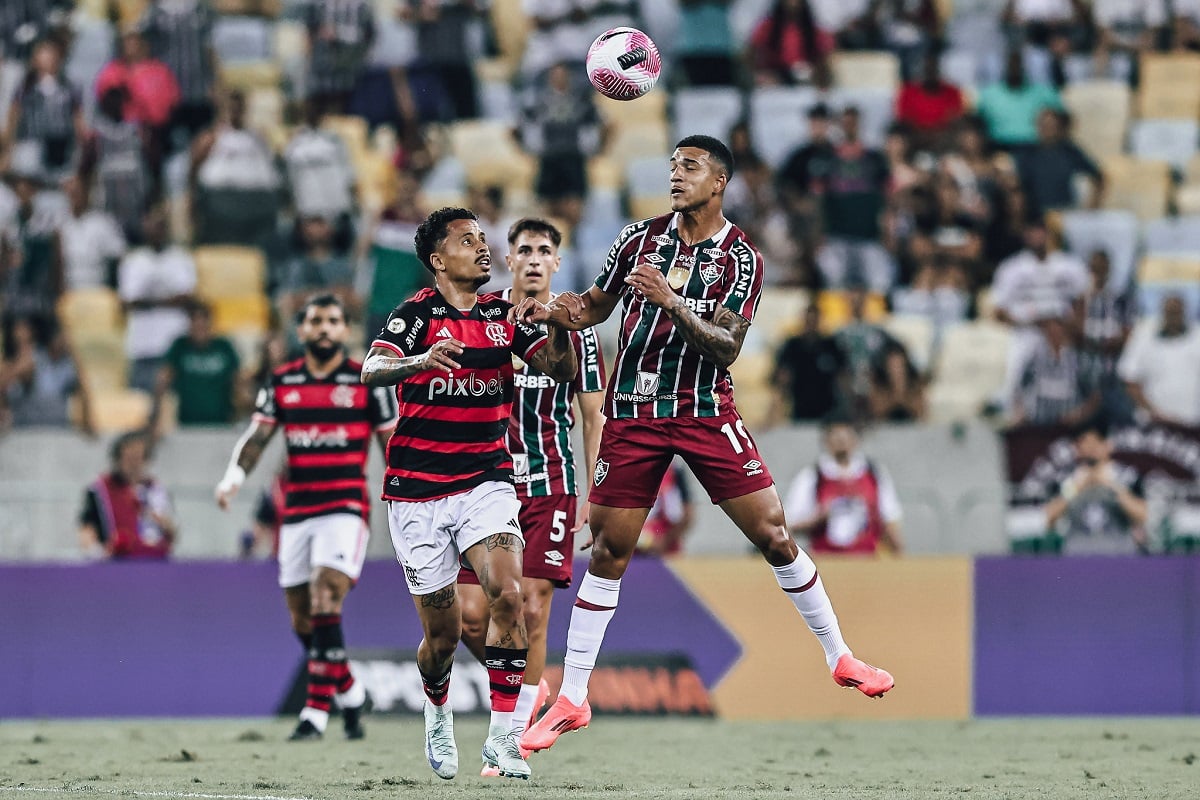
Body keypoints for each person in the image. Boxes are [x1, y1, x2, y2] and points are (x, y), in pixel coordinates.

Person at [514, 135, 893, 757]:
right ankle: (574, 698)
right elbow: (595, 308)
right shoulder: (636, 238)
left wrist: (671, 300)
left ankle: (841, 657)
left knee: (774, 533)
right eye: (672, 166)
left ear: (718, 181)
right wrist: (561, 310)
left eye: (689, 167)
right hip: (633, 411)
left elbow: (726, 346)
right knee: (609, 549)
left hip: (701, 409)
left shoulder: (742, 258)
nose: (676, 175)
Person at [359, 206, 580, 781]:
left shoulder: (504, 315)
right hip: (417, 491)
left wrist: (557, 324)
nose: (483, 249)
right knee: (445, 636)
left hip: (485, 479)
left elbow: (558, 368)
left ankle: (503, 741)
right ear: (438, 259)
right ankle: (437, 712)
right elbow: (370, 370)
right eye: (467, 241)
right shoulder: (416, 314)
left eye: (484, 240)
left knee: (509, 595)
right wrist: (419, 361)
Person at [455, 217, 606, 778]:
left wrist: (597, 488)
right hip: (484, 483)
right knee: (472, 617)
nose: (536, 259)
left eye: (545, 250)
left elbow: (592, 414)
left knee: (532, 607)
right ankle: (528, 684)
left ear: (558, 263)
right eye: (525, 250)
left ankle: (510, 737)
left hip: (551, 485)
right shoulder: (484, 316)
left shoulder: (579, 330)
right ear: (509, 260)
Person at [214, 294, 398, 743]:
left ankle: (315, 713)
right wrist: (233, 477)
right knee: (303, 621)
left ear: (345, 330)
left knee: (324, 597)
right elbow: (258, 437)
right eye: (315, 321)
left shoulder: (367, 379)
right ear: (301, 331)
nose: (324, 328)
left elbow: (390, 442)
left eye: (333, 321)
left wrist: (405, 491)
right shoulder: (282, 381)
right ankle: (351, 693)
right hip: (296, 513)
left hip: (345, 508)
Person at [784, 418, 903, 555]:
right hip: (825, 558)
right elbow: (790, 524)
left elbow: (889, 518)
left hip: (867, 559)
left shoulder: (874, 473)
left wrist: (899, 551)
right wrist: (818, 517)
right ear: (826, 441)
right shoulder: (812, 476)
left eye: (846, 435)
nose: (841, 441)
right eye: (836, 436)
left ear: (855, 440)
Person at [117, 203, 196, 393]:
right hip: (141, 345)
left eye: (161, 224)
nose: (157, 228)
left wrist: (147, 302)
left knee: (173, 406)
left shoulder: (181, 258)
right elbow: (127, 303)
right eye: (152, 223)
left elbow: (187, 299)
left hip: (174, 344)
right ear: (144, 225)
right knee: (140, 409)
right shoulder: (132, 261)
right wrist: (167, 301)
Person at [1044, 418, 1148, 555]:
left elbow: (1142, 516)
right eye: (1084, 447)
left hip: (1119, 558)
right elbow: (1049, 519)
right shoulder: (1065, 478)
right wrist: (1076, 487)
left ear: (1107, 445)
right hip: (1078, 559)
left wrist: (1112, 487)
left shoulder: (1127, 476)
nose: (1089, 452)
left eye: (1093, 447)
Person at [79, 430, 176, 560]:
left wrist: (165, 523)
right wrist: (97, 554)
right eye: (129, 458)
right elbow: (87, 529)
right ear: (118, 458)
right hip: (115, 563)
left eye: (138, 458)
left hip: (153, 562)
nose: (133, 464)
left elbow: (173, 533)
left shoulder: (157, 490)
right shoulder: (100, 490)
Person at [152, 301, 242, 427]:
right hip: (187, 422)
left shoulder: (224, 347)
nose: (199, 326)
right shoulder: (180, 346)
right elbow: (163, 378)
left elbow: (238, 381)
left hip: (221, 422)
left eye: (203, 322)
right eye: (195, 322)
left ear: (210, 324)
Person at [1118, 293, 1200, 428]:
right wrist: (1154, 413)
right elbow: (1130, 381)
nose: (1173, 316)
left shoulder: (1197, 337)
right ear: (1163, 312)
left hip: (1191, 422)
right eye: (1170, 312)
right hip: (1153, 422)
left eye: (1176, 311)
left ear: (1184, 312)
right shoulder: (1143, 336)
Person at [769, 302, 847, 425]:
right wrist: (772, 414)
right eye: (808, 320)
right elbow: (782, 379)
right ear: (803, 320)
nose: (811, 324)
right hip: (800, 410)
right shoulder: (792, 346)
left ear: (820, 321)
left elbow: (843, 379)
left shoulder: (831, 346)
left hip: (829, 412)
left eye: (814, 320)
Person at [1015, 108, 1103, 216]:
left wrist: (1093, 205)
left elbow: (1098, 176)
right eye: (1043, 125)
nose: (1047, 129)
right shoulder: (1027, 153)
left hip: (1063, 211)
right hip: (1034, 212)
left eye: (1051, 126)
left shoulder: (1069, 151)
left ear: (1058, 127)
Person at [635, 459, 694, 556]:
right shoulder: (632, 468)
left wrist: (666, 540)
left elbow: (689, 513)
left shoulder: (676, 471)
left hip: (668, 549)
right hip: (635, 551)